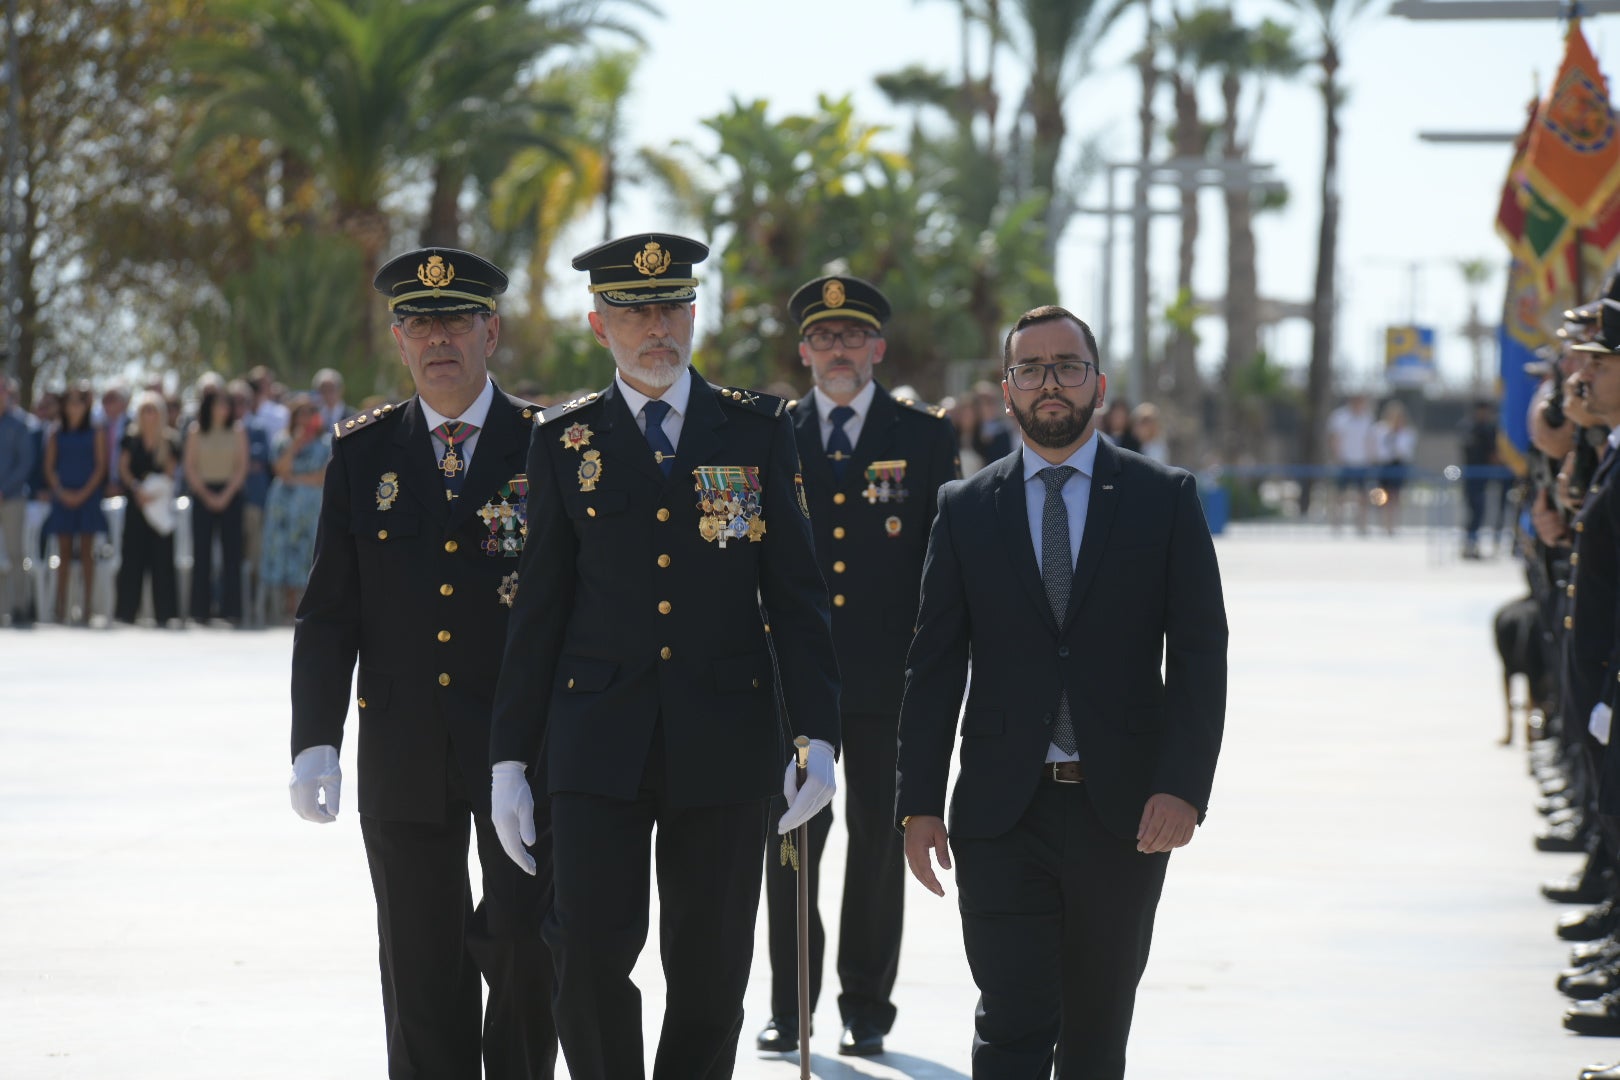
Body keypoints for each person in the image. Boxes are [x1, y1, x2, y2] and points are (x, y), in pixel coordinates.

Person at [487, 232, 842, 1080]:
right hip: (594, 740)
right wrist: (509, 757)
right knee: (588, 953)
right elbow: (537, 614)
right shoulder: (564, 440)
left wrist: (818, 736)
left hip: (724, 735)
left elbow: (795, 596)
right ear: (597, 324)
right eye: (633, 310)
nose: (657, 326)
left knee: (713, 969)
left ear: (693, 313)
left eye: (671, 306)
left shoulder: (756, 431)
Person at [896, 305, 1227, 1079]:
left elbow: (1202, 657)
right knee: (1011, 1024)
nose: (1051, 383)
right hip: (1001, 815)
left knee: (1096, 1033)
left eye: (1067, 366)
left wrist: (1182, 787)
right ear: (1006, 392)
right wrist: (917, 803)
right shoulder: (965, 508)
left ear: (1099, 385)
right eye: (1031, 369)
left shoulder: (1163, 497)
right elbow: (934, 665)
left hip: (1126, 816)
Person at [288, 247, 557, 1080]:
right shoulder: (364, 454)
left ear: (491, 331)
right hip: (403, 745)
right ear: (399, 339)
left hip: (520, 746)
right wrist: (313, 739)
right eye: (421, 323)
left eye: (457, 320)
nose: (439, 338)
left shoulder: (548, 447)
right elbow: (330, 610)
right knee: (417, 957)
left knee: (520, 939)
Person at [754, 274, 959, 1057]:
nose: (838, 350)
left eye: (853, 336)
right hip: (792, 684)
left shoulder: (924, 435)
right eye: (823, 337)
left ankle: (867, 1006)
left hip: (886, 683)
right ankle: (789, 1006)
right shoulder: (774, 433)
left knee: (879, 845)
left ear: (878, 348)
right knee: (790, 843)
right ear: (804, 351)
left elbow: (943, 565)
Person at [183, 379, 249, 624]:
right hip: (203, 494)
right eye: (219, 404)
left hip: (231, 494)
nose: (224, 408)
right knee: (202, 555)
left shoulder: (239, 430)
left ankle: (232, 610)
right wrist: (208, 495)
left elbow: (241, 467)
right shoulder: (195, 430)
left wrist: (226, 495)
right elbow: (190, 467)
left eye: (227, 404)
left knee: (232, 554)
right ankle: (199, 611)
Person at [113, 391, 181, 626]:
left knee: (162, 560)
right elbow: (123, 468)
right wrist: (136, 488)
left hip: (159, 505)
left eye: (153, 410)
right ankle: (126, 612)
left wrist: (153, 493)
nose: (149, 415)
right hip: (137, 504)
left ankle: (165, 613)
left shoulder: (170, 440)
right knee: (132, 559)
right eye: (145, 410)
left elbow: (171, 472)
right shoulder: (130, 439)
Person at [43, 382, 108, 624]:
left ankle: (87, 608)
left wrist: (83, 494)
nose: (74, 407)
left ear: (86, 405)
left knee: (87, 553)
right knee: (64, 553)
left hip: (88, 497)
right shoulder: (55, 432)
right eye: (70, 402)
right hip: (63, 498)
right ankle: (61, 608)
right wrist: (62, 492)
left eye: (79, 401)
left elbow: (101, 466)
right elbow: (49, 467)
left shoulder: (96, 430)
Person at [260, 397, 330, 619]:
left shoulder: (326, 443)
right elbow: (280, 470)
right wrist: (295, 445)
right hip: (282, 509)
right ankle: (284, 606)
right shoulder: (283, 441)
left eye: (311, 412)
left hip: (310, 510)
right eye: (301, 413)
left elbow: (322, 477)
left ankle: (307, 606)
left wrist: (296, 479)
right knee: (283, 550)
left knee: (308, 552)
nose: (306, 418)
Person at [0, 375, 36, 626]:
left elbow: (25, 462)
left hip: (12, 498)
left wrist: (4, 489)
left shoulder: (20, 423)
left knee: (15, 553)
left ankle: (20, 606)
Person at [1327, 392, 1376, 533]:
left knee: (1362, 496)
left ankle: (1361, 525)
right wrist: (1337, 458)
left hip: (1362, 462)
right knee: (1339, 495)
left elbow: (1370, 440)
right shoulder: (1339, 417)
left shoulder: (1368, 417)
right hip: (1345, 462)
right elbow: (1335, 439)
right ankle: (1336, 525)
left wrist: (1370, 458)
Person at [1460, 398, 1499, 559]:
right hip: (1471, 476)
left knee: (1479, 513)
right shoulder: (1469, 428)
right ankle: (1469, 545)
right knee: (1473, 512)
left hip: (1483, 477)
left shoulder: (1489, 428)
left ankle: (1473, 545)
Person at [1373, 399, 1417, 536]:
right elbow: (1378, 449)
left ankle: (1394, 525)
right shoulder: (1380, 429)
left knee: (1396, 495)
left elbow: (1406, 452)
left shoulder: (1407, 433)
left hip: (1398, 465)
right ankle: (1384, 524)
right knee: (1383, 496)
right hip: (1384, 465)